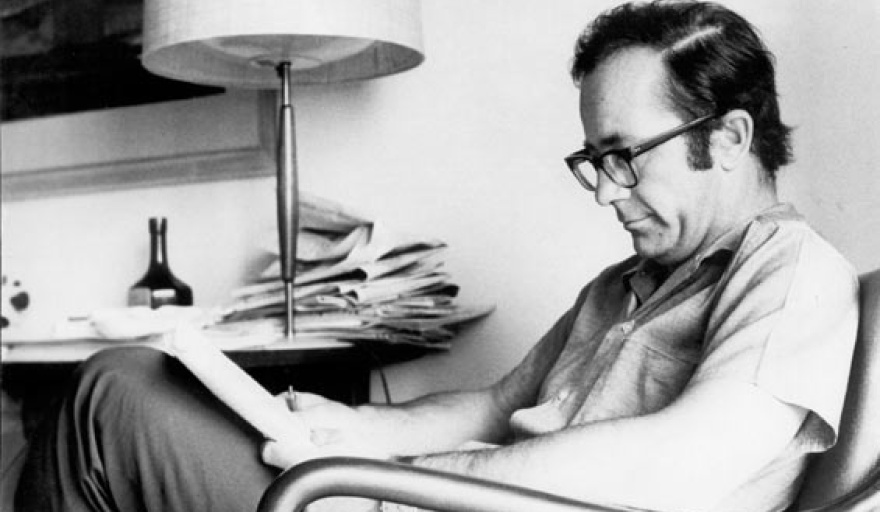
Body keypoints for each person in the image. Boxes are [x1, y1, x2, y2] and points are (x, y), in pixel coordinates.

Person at [16, 1, 859, 511]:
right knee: (131, 380)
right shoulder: (625, 285)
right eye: (593, 162)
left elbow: (678, 463)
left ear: (729, 137)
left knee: (107, 397)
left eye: (625, 157)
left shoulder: (792, 277)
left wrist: (384, 479)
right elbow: (496, 406)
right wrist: (360, 430)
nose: (606, 192)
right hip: (428, 496)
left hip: (437, 504)